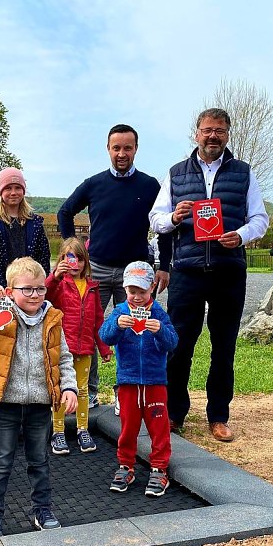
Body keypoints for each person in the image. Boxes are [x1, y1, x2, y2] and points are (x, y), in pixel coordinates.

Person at [149, 108, 269, 441]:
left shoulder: (244, 173)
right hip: (187, 271)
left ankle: (218, 415)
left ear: (227, 133)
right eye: (206, 130)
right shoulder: (176, 173)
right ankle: (174, 414)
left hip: (228, 271)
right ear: (196, 133)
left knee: (224, 346)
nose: (212, 136)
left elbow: (260, 219)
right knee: (178, 345)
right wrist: (174, 216)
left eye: (219, 130)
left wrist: (241, 236)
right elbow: (155, 220)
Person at [0, 257, 78, 538]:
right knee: (0, 462)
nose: (35, 294)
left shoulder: (53, 318)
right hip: (6, 403)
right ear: (11, 291)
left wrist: (70, 387)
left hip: (40, 404)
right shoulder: (1, 314)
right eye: (27, 289)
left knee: (39, 460)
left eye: (39, 289)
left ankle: (42, 509)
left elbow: (63, 358)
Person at [58, 124, 170, 408]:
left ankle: (126, 392)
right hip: (96, 267)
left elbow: (163, 225)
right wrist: (73, 249)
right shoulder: (94, 184)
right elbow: (65, 211)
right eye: (116, 148)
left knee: (135, 331)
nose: (122, 153)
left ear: (136, 149)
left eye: (127, 148)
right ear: (108, 149)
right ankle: (88, 391)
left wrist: (164, 265)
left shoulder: (149, 185)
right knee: (87, 331)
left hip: (136, 272)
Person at [99, 261, 178, 496]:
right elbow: (105, 336)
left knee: (159, 428)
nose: (136, 297)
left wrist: (160, 331)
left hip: (155, 383)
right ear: (124, 289)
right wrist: (116, 325)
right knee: (128, 427)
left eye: (141, 291)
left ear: (152, 287)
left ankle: (159, 468)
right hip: (128, 382)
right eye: (132, 291)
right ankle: (125, 465)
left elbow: (173, 342)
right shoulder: (120, 311)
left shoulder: (158, 314)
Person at [45, 237, 112, 455]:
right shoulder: (59, 285)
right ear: (62, 260)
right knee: (60, 390)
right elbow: (45, 295)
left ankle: (82, 429)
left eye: (79, 259)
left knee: (82, 390)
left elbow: (98, 320)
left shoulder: (92, 287)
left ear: (85, 261)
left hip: (85, 348)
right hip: (62, 348)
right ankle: (58, 431)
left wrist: (103, 347)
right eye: (68, 258)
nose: (75, 264)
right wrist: (54, 276)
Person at [0, 168, 51, 288]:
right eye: (8, 188)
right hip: (0, 287)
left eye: (18, 188)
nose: (13, 192)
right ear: (0, 191)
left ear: (23, 191)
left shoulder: (35, 223)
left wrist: (39, 285)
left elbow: (43, 257)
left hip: (29, 287)